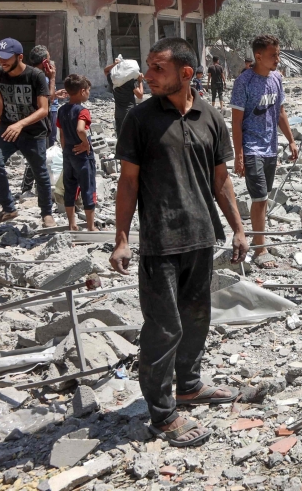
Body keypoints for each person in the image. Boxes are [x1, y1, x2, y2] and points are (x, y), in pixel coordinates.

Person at [109, 37, 248, 448]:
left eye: (157, 68)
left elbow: (221, 179)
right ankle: (162, 414)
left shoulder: (210, 116)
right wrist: (121, 239)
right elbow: (128, 182)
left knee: (197, 320)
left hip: (200, 237)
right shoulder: (140, 118)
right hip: (159, 242)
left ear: (186, 74)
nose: (147, 76)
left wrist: (238, 228)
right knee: (163, 328)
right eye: (148, 68)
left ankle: (188, 386)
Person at [230, 35, 299, 268]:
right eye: (274, 55)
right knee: (259, 197)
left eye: (278, 54)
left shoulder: (277, 78)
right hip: (251, 147)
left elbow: (280, 112)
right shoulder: (244, 82)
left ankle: (259, 239)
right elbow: (236, 122)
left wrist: (290, 140)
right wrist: (238, 155)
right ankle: (261, 249)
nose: (278, 59)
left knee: (263, 198)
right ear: (258, 56)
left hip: (271, 148)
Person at [0, 38, 56, 228]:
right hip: (7, 128)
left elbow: (44, 109)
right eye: (0, 58)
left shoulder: (35, 76)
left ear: (20, 57)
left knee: (40, 172)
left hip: (33, 131)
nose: (3, 62)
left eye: (7, 58)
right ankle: (8, 208)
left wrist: (20, 125)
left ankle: (47, 214)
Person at [21, 45, 64, 195]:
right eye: (49, 58)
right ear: (45, 62)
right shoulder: (41, 76)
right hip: (42, 118)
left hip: (33, 116)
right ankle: (31, 188)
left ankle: (31, 187)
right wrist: (52, 78)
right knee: (41, 152)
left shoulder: (27, 73)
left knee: (39, 151)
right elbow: (48, 99)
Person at [57, 74, 97, 232]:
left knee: (70, 188)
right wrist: (85, 144)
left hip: (68, 153)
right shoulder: (83, 111)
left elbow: (61, 135)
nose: (88, 93)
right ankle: (91, 226)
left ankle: (72, 224)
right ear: (82, 91)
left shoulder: (61, 110)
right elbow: (81, 129)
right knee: (88, 188)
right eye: (87, 90)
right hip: (82, 156)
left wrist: (66, 149)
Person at [103, 57, 145, 137]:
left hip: (118, 113)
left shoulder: (113, 81)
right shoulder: (130, 83)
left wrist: (114, 64)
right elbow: (140, 95)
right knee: (131, 135)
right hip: (129, 112)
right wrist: (140, 81)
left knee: (120, 135)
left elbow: (105, 70)